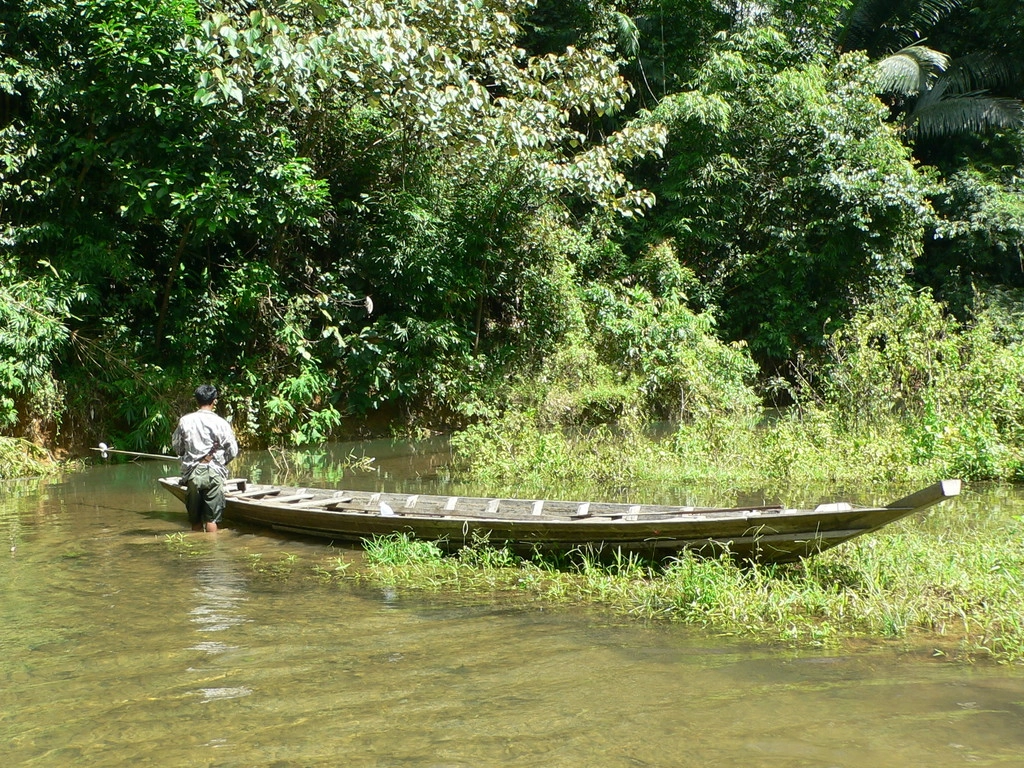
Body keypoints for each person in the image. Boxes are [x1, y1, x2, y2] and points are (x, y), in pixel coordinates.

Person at [172, 384, 239, 533]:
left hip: (193, 474)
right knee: (212, 520)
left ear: (196, 400)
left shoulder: (185, 421)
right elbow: (233, 451)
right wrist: (222, 462)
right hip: (215, 473)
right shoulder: (222, 423)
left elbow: (178, 448)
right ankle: (212, 550)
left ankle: (197, 551)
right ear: (214, 401)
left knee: (195, 521)